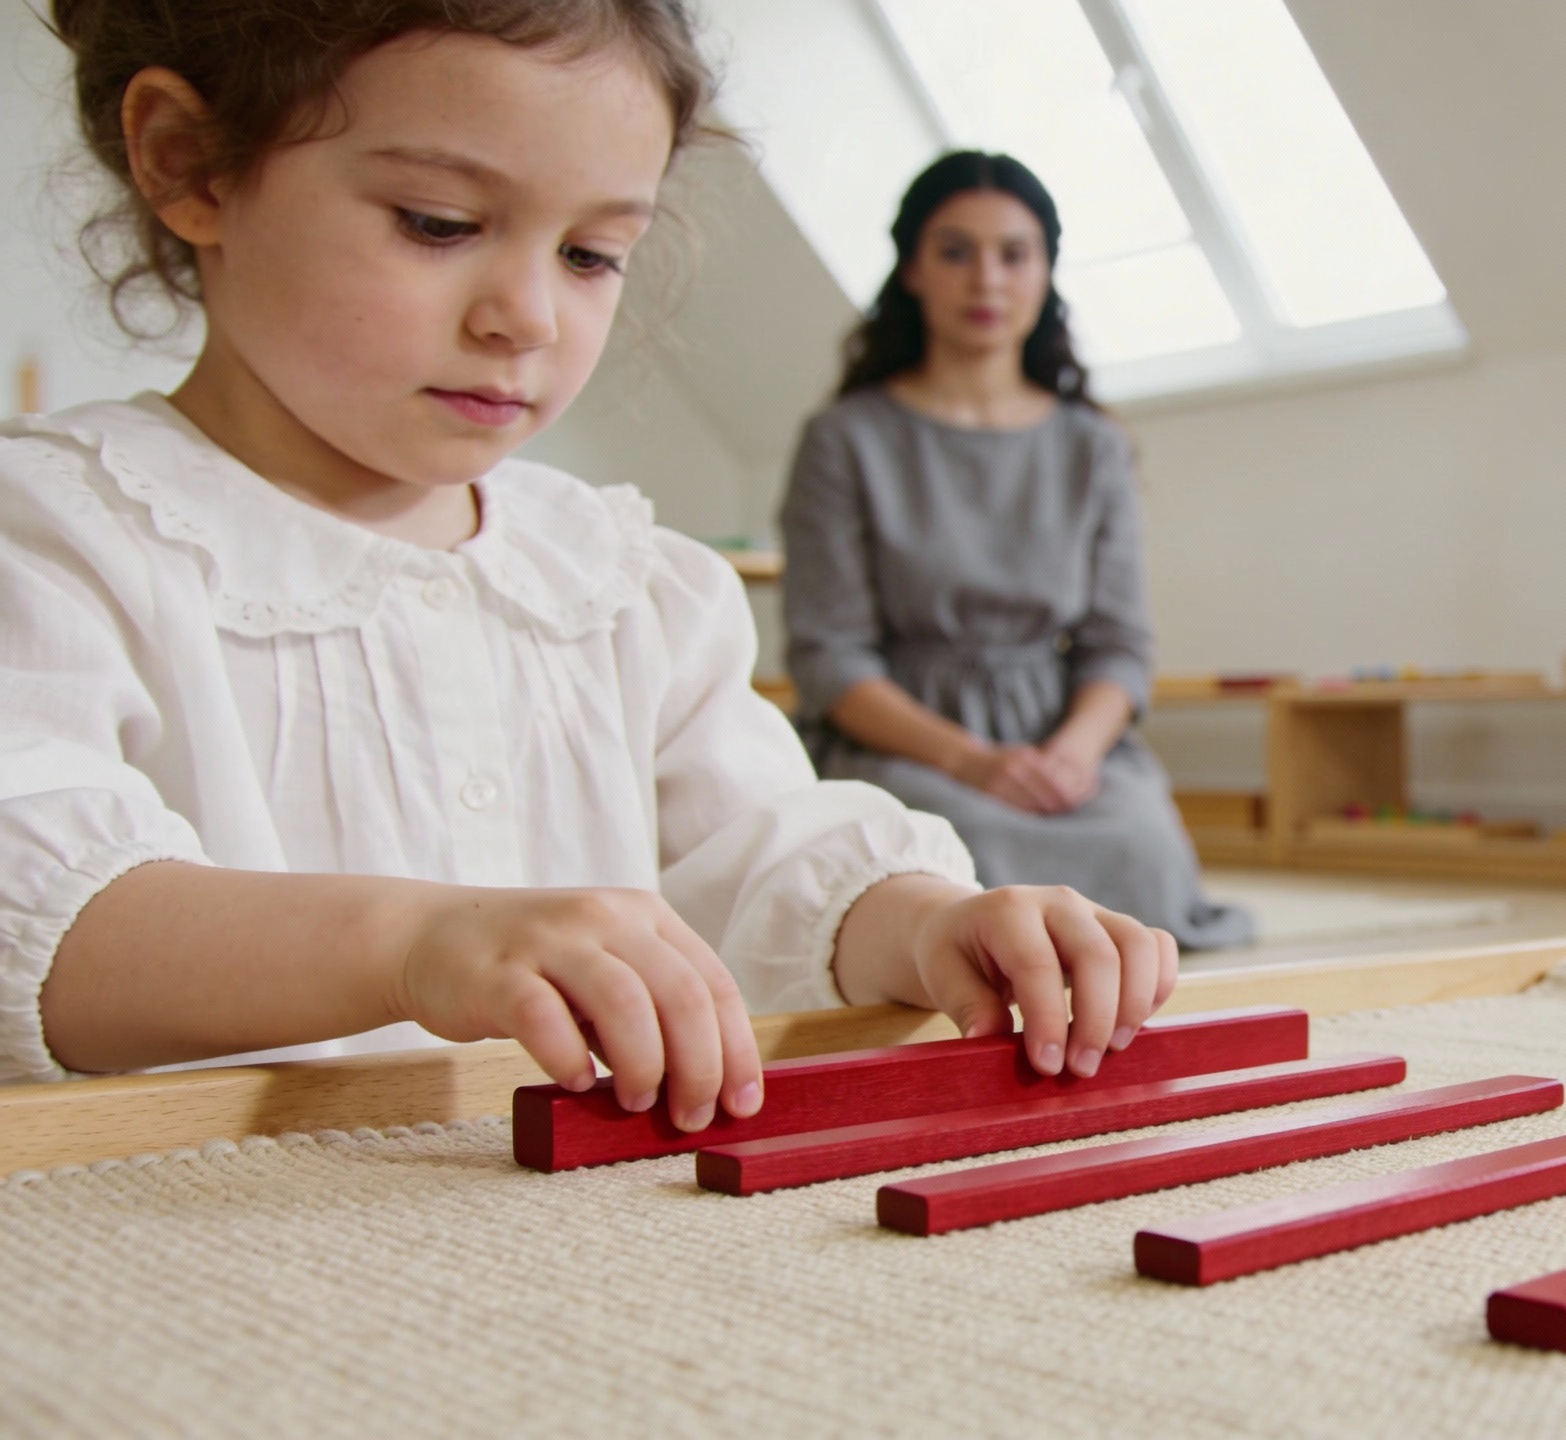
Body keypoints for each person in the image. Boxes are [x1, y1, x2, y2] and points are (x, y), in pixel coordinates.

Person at [0, 1, 1179, 1121]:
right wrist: (412, 945)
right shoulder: (56, 530)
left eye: (590, 253)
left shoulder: (624, 581)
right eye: (438, 223)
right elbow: (46, 912)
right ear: (189, 162)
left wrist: (925, 922)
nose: (527, 316)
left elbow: (764, 859)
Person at [779, 152, 1252, 951]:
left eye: (1014, 254)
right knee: (953, 860)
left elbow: (1119, 645)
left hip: (1058, 735)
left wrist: (1071, 755)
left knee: (1141, 848)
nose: (987, 280)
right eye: (955, 252)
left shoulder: (1092, 445)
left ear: (1046, 272)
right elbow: (831, 657)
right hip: (905, 741)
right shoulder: (844, 439)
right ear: (913, 270)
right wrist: (972, 762)